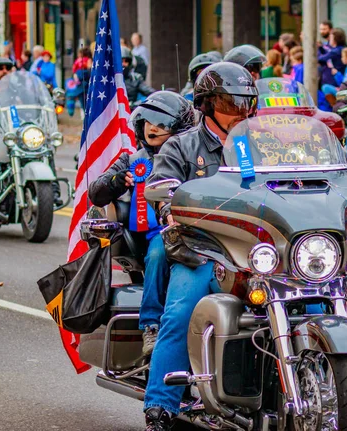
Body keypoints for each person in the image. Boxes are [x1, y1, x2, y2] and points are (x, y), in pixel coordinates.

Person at [142, 62, 258, 431]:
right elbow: (162, 186)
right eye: (229, 103)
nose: (240, 112)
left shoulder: (259, 145)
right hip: (200, 251)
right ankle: (160, 406)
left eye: (245, 104)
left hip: (258, 254)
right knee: (180, 314)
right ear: (206, 104)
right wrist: (169, 206)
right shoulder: (182, 145)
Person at [89, 92, 195, 356]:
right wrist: (116, 182)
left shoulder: (192, 154)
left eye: (162, 123)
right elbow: (95, 192)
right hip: (160, 233)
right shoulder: (133, 159)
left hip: (199, 228)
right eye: (149, 121)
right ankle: (150, 325)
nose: (153, 127)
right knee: (160, 252)